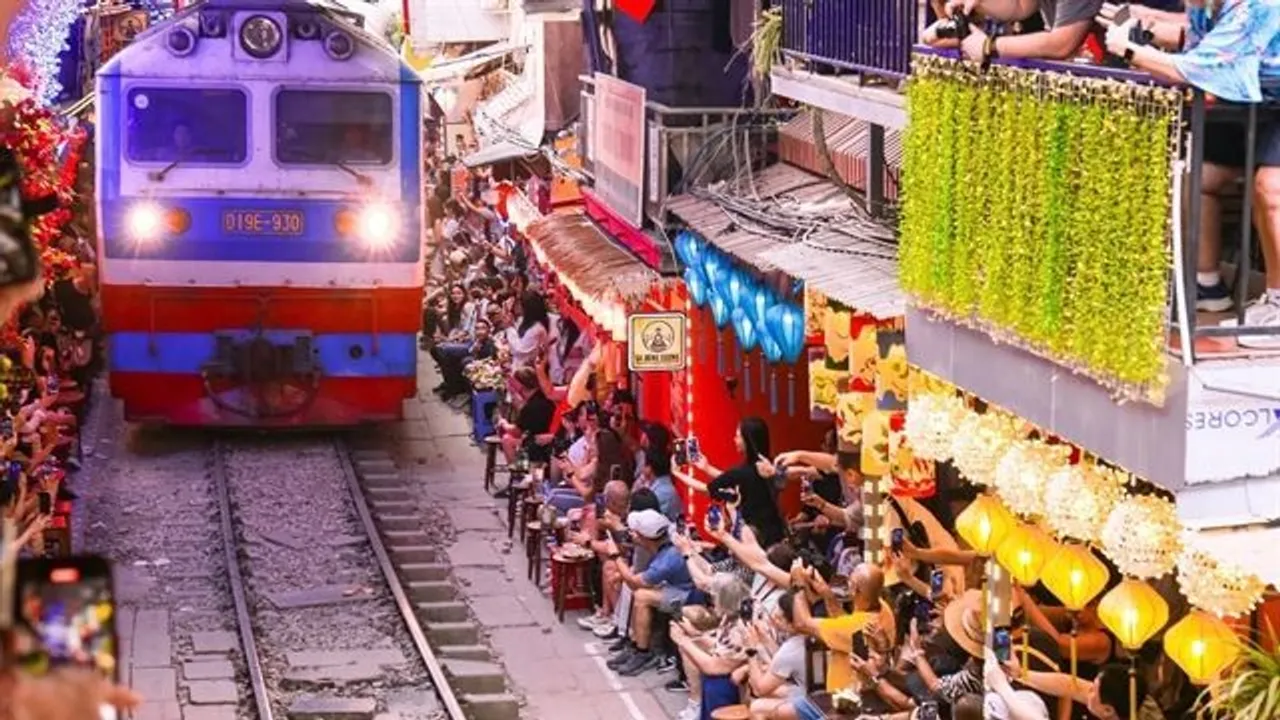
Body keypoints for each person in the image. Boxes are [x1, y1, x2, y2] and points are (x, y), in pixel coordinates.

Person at [1103, 0, 1280, 345]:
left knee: (1271, 188)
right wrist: (1146, 34)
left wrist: (1129, 50)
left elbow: (1202, 69)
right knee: (1207, 177)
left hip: (1267, 103)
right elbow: (1199, 53)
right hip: (1265, 104)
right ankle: (1213, 286)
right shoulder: (1203, 6)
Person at [605, 509, 695, 676]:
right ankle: (634, 643)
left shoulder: (668, 559)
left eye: (635, 532)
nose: (632, 534)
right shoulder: (668, 534)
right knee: (640, 592)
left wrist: (615, 555)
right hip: (675, 584)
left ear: (643, 537)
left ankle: (643, 652)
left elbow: (633, 582)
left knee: (641, 596)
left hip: (689, 594)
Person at [679, 417, 787, 548]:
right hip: (775, 533)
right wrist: (706, 468)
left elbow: (707, 488)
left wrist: (677, 473)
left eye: (737, 436)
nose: (734, 440)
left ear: (747, 440)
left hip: (755, 538)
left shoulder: (743, 472)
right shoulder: (767, 466)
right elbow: (732, 478)